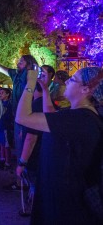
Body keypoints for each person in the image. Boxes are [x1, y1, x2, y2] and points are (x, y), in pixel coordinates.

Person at [16, 66, 103, 224]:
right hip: (62, 196)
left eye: (73, 79)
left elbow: (22, 117)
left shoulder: (79, 120)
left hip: (65, 206)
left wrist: (30, 83)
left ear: (85, 89)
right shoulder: (81, 115)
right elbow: (51, 115)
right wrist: (46, 91)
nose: (68, 81)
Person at [0, 55, 38, 190]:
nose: (18, 62)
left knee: (23, 148)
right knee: (18, 146)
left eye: (21, 61)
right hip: (17, 116)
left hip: (26, 116)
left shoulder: (31, 75)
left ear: (29, 64)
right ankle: (20, 181)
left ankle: (24, 182)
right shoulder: (15, 74)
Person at [16, 65, 55, 217]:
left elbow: (31, 138)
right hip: (42, 154)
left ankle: (33, 211)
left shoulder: (36, 105)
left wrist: (22, 162)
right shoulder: (43, 103)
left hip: (35, 156)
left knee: (35, 186)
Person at [0, 87, 13, 169]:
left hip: (6, 127)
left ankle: (8, 162)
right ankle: (3, 158)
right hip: (0, 126)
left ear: (7, 94)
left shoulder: (8, 104)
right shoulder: (2, 103)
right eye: (0, 93)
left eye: (2, 93)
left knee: (6, 145)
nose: (0, 94)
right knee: (2, 143)